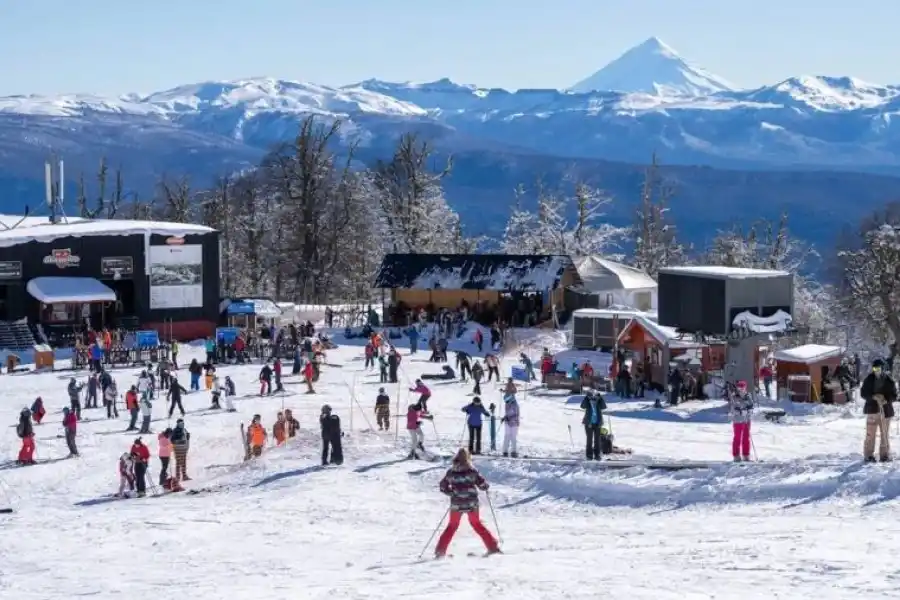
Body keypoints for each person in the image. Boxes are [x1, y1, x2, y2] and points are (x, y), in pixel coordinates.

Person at [434, 448, 501, 558]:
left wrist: (451, 493)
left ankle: (440, 551)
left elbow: (443, 486)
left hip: (457, 503)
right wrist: (485, 487)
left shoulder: (451, 472)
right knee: (476, 524)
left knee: (452, 526)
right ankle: (492, 547)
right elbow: (482, 484)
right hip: (471, 503)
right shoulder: (472, 471)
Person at [860, 358, 898, 462]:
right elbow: (863, 393)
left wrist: (886, 400)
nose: (876, 370)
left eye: (878, 368)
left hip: (885, 411)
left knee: (884, 433)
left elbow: (894, 395)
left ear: (883, 368)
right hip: (872, 410)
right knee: (870, 434)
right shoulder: (869, 379)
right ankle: (868, 455)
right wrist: (873, 397)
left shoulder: (889, 381)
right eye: (874, 368)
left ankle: (884, 455)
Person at [729, 380, 754, 462]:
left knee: (746, 438)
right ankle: (736, 455)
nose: (741, 390)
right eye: (739, 388)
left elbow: (751, 406)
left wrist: (749, 411)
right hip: (738, 420)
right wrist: (740, 411)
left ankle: (746, 455)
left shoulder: (748, 396)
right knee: (737, 438)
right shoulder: (734, 397)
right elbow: (732, 410)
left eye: (742, 388)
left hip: (747, 420)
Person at [580, 390, 608, 460]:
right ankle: (589, 455)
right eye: (591, 396)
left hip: (597, 423)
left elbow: (604, 407)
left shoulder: (598, 402)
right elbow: (582, 406)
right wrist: (586, 398)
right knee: (589, 439)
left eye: (595, 396)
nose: (593, 398)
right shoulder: (588, 401)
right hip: (588, 423)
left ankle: (597, 455)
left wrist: (600, 398)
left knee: (597, 440)